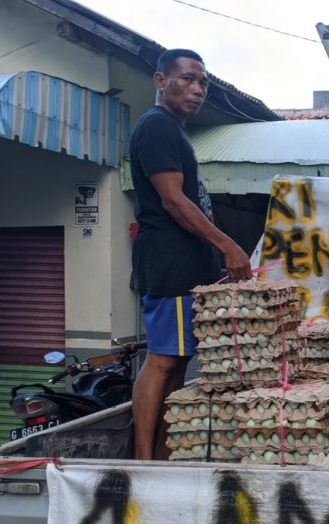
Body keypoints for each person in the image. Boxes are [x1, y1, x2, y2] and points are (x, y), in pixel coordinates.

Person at [130, 49, 252, 460]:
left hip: (186, 265)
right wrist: (228, 245)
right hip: (170, 262)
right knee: (162, 361)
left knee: (178, 363)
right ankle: (144, 459)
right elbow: (173, 202)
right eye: (186, 79)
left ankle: (163, 454)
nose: (197, 89)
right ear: (160, 80)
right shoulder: (158, 127)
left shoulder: (175, 130)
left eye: (203, 82)